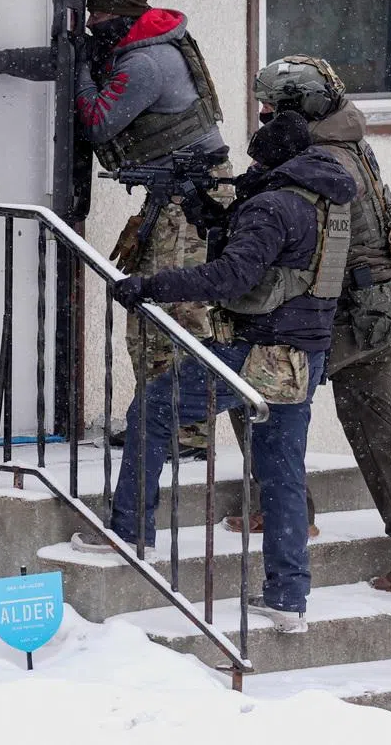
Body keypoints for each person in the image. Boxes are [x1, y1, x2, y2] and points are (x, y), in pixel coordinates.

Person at [73, 111, 357, 632]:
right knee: (282, 473)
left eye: (256, 158)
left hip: (257, 350)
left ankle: (131, 531)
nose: (248, 167)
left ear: (271, 158)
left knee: (154, 409)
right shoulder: (328, 199)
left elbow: (231, 276)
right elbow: (274, 261)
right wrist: (213, 212)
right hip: (303, 356)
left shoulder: (274, 206)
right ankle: (288, 598)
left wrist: (151, 286)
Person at [0, 0, 229, 454]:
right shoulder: (132, 45)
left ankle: (181, 432)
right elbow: (61, 64)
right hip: (173, 198)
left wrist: (80, 67)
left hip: (188, 203)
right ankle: (169, 426)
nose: (91, 23)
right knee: (159, 314)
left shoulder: (148, 63)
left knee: (168, 315)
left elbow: (97, 118)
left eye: (99, 16)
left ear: (123, 18)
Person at [228, 56, 391, 597]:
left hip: (343, 310)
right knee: (376, 434)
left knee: (254, 392)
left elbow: (308, 246)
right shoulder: (352, 145)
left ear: (297, 110)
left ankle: (286, 512)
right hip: (379, 307)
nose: (262, 116)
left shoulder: (317, 159)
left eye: (270, 108)